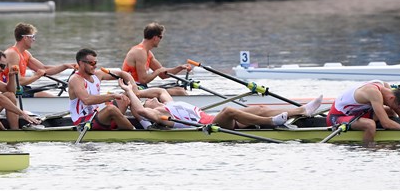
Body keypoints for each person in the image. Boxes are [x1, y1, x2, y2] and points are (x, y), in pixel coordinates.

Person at [118, 78, 323, 130]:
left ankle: (301, 110)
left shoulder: (168, 103)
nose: (149, 98)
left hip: (213, 120)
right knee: (229, 110)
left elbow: (161, 90)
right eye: (146, 100)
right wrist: (128, 92)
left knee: (258, 107)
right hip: (210, 125)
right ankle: (273, 121)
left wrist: (135, 89)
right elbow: (140, 110)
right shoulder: (158, 115)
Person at [326, 80, 400, 146]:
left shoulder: (385, 86)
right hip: (337, 117)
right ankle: (368, 147)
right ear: (391, 98)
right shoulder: (373, 93)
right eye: (399, 106)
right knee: (370, 125)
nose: (399, 109)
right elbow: (386, 123)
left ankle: (376, 132)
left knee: (390, 112)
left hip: (356, 113)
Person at [0, 23, 78, 97]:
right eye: (32, 36)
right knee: (45, 96)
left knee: (47, 96)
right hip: (8, 92)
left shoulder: (25, 53)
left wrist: (65, 66)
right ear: (25, 37)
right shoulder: (12, 54)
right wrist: (36, 76)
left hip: (19, 89)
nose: (34, 40)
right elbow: (18, 81)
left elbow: (44, 69)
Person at [68, 48, 136, 130]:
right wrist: (113, 96)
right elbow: (87, 100)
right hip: (83, 121)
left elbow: (122, 74)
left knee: (128, 96)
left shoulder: (97, 75)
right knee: (110, 109)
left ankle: (145, 124)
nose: (95, 66)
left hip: (96, 116)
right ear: (81, 63)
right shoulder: (75, 79)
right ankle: (134, 131)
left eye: (96, 63)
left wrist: (134, 88)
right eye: (92, 63)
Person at [122, 22, 191, 96]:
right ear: (155, 38)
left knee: (179, 88)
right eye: (160, 37)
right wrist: (158, 71)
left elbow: (163, 75)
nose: (160, 40)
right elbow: (143, 80)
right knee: (180, 92)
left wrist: (180, 68)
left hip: (141, 88)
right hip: (134, 90)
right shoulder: (140, 52)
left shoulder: (147, 53)